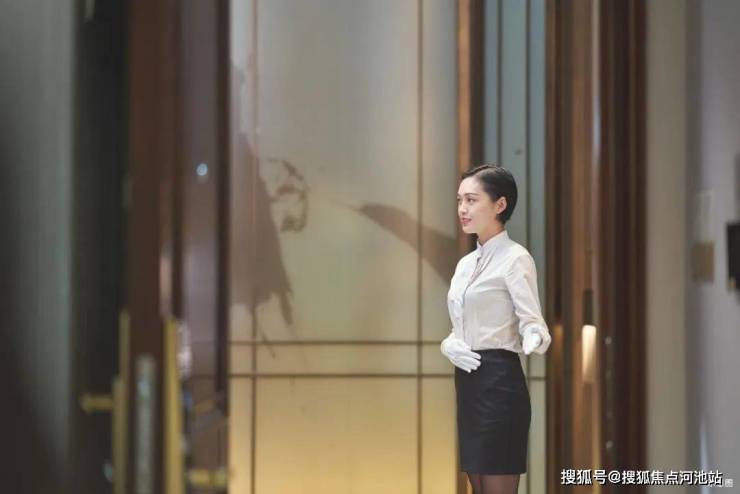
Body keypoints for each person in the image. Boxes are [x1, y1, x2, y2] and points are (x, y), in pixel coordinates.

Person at [441, 164, 551, 494]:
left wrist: (533, 337)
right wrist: (449, 344)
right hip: (468, 382)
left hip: (499, 380)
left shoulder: (515, 258)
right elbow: (462, 324)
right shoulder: (465, 264)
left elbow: (533, 322)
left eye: (472, 200)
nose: (462, 209)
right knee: (477, 486)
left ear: (500, 205)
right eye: (460, 200)